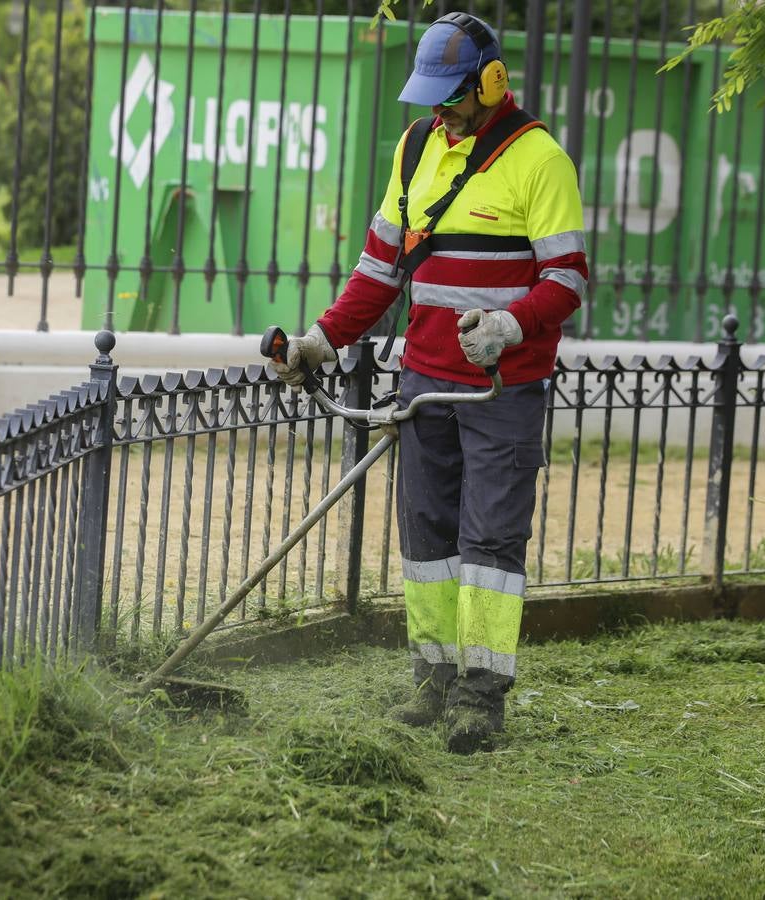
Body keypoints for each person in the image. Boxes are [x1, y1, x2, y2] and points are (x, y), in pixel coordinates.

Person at [273, 12, 587, 753]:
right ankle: (430, 678)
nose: (441, 112)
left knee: (490, 541)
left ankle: (482, 697)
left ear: (492, 81)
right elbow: (381, 266)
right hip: (424, 384)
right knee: (427, 541)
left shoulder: (541, 160)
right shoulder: (416, 149)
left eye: (453, 98)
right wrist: (322, 339)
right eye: (433, 100)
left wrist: (510, 325)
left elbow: (566, 278)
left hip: (499, 392)